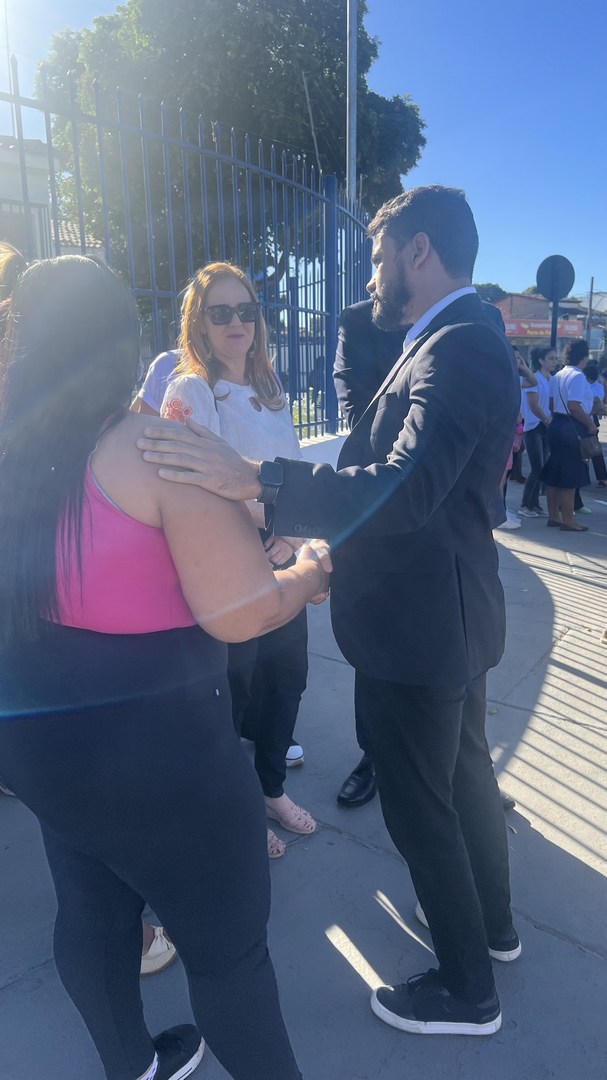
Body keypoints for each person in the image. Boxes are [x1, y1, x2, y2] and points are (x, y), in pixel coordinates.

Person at [138, 185, 521, 1037]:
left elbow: (404, 489)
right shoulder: (461, 336)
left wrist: (261, 480)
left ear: (419, 251)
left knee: (421, 807)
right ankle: (490, 931)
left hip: (418, 628)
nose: (373, 275)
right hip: (446, 618)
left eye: (381, 257)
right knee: (463, 781)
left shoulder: (455, 342)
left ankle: (466, 991)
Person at [0, 255, 330, 1080]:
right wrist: (309, 574)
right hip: (165, 758)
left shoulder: (12, 448)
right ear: (123, 341)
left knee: (89, 911)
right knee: (229, 956)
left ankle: (132, 1065)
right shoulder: (156, 450)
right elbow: (243, 611)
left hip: (45, 744)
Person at [160, 262, 315, 859]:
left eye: (245, 310)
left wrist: (292, 535)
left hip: (282, 553)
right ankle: (235, 810)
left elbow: (297, 474)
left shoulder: (271, 391)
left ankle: (270, 789)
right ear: (198, 323)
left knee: (287, 681)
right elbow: (190, 485)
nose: (236, 323)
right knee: (235, 689)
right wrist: (269, 520)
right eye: (220, 312)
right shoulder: (190, 391)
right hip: (229, 564)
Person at [541, 338, 597, 531]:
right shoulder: (578, 376)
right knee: (570, 475)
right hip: (572, 427)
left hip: (556, 424)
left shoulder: (558, 375)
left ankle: (553, 516)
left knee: (555, 472)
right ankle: (568, 520)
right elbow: (574, 406)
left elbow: (551, 404)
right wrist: (590, 424)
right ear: (584, 357)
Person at [518, 345, 556, 517]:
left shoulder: (552, 379)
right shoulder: (535, 379)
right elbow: (533, 405)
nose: (554, 362)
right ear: (541, 360)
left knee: (542, 468)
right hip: (533, 427)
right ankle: (525, 505)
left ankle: (535, 504)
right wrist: (546, 419)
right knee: (536, 467)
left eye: (555, 358)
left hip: (546, 427)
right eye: (551, 358)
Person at [583, 361, 607, 485]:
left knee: (588, 449)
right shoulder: (598, 386)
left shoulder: (588, 385)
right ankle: (602, 477)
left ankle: (587, 477)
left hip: (587, 419)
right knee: (594, 449)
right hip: (590, 419)